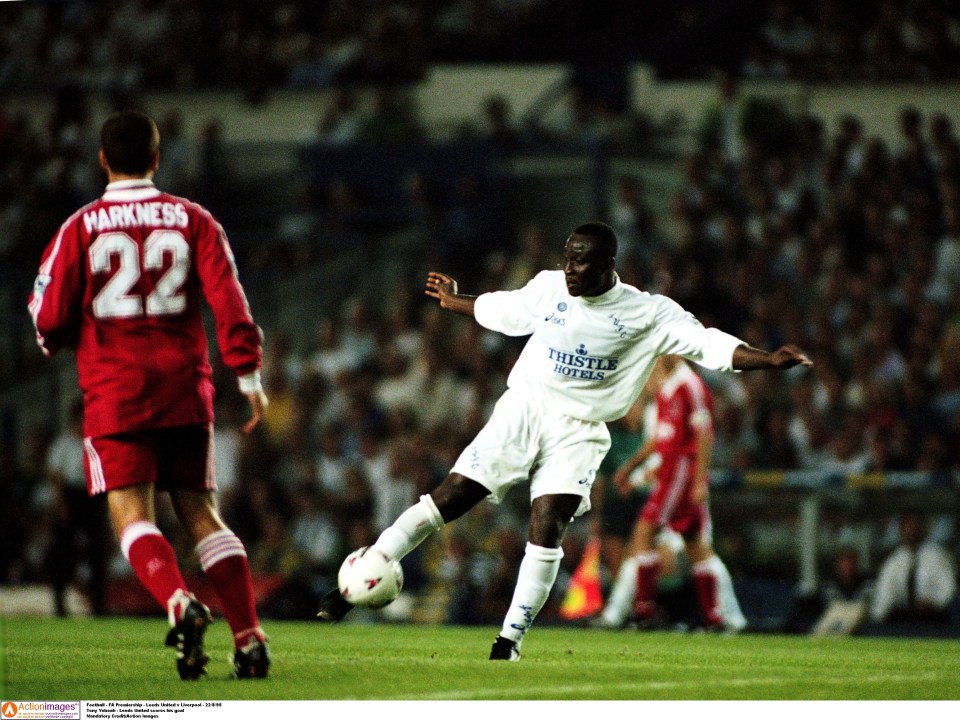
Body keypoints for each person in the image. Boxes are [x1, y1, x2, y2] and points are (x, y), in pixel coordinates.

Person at [316, 221, 811, 660]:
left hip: (580, 431)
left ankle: (508, 641)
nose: (570, 268)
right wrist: (456, 301)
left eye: (581, 260)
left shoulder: (647, 312)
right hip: (525, 408)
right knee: (452, 496)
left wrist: (766, 359)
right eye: (567, 258)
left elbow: (708, 343)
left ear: (608, 265)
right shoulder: (550, 288)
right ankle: (359, 578)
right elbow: (506, 310)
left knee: (547, 523)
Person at [28, 110, 270, 680]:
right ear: (158, 159)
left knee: (131, 514)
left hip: (116, 391)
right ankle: (250, 638)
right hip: (185, 387)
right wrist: (248, 375)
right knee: (202, 515)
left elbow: (50, 313)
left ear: (103, 161)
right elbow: (228, 298)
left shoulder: (80, 226)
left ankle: (179, 602)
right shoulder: (193, 219)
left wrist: (55, 340)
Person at [596, 355, 747, 632]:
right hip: (670, 473)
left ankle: (643, 613)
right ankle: (716, 619)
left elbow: (704, 434)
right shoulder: (669, 387)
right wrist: (633, 469)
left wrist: (700, 481)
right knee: (695, 545)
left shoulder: (690, 385)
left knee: (644, 532)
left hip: (680, 475)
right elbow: (662, 440)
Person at [869, 512, 957, 625]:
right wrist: (876, 619)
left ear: (923, 529)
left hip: (935, 620)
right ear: (901, 530)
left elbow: (949, 590)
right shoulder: (893, 561)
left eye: (915, 526)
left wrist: (933, 603)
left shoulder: (938, 556)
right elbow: (883, 595)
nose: (911, 531)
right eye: (907, 527)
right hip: (902, 621)